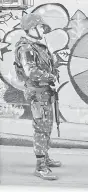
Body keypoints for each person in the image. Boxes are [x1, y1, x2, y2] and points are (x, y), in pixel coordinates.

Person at [15, 13, 61, 180]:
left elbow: (48, 66)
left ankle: (45, 157)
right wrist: (52, 78)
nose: (43, 30)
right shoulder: (26, 48)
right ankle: (40, 166)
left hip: (45, 92)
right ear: (32, 28)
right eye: (41, 27)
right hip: (38, 94)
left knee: (47, 126)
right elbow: (32, 72)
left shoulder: (38, 46)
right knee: (41, 129)